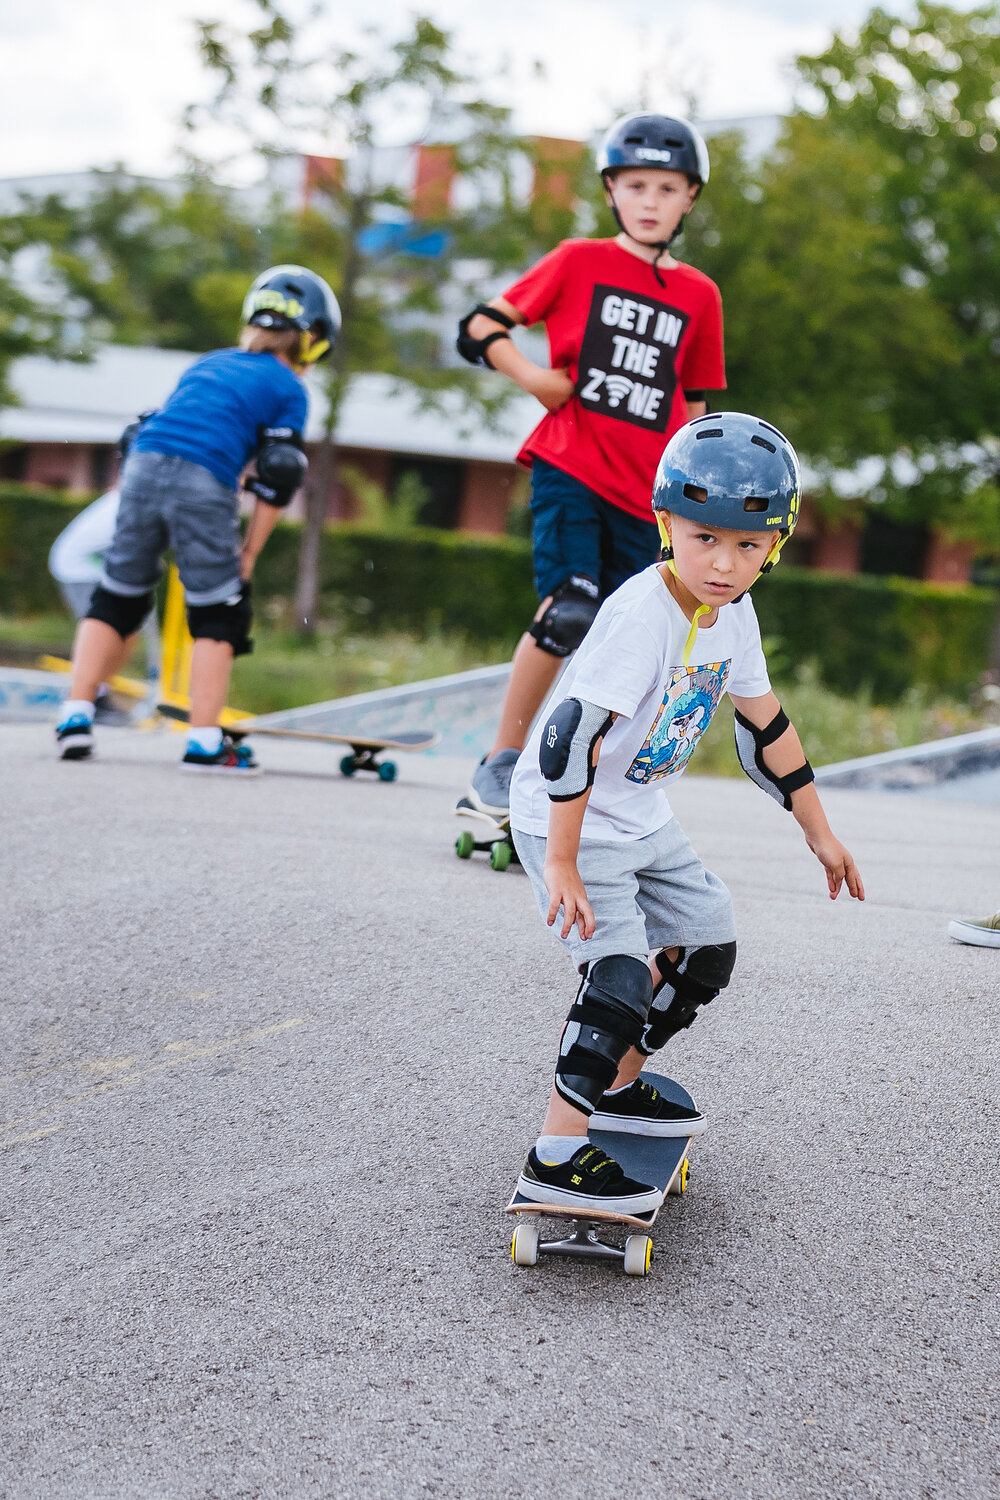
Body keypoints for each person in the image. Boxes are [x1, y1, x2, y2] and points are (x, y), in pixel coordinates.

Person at [507, 412, 865, 1215]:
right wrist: (562, 860)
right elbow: (570, 737)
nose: (723, 563)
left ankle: (618, 1088)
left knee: (705, 951)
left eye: (749, 545)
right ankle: (555, 1154)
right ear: (666, 522)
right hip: (571, 816)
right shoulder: (644, 616)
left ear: (777, 545)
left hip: (638, 811)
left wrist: (820, 831)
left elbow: (765, 725)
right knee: (623, 973)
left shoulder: (734, 616)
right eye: (705, 537)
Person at [457, 112, 726, 816]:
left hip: (647, 497)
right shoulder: (578, 260)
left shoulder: (700, 295)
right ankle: (500, 762)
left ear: (689, 198)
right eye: (635, 185)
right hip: (570, 465)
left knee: (629, 643)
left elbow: (693, 411)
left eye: (666, 189)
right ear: (611, 189)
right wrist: (536, 380)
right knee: (569, 609)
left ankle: (583, 782)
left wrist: (692, 510)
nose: (649, 201)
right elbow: (478, 327)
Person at [54, 265, 340, 773]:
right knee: (218, 609)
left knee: (118, 592)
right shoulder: (290, 388)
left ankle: (75, 714)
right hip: (204, 476)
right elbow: (279, 472)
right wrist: (248, 554)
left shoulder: (208, 363)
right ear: (313, 339)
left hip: (139, 466)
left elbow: (167, 428)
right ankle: (205, 742)